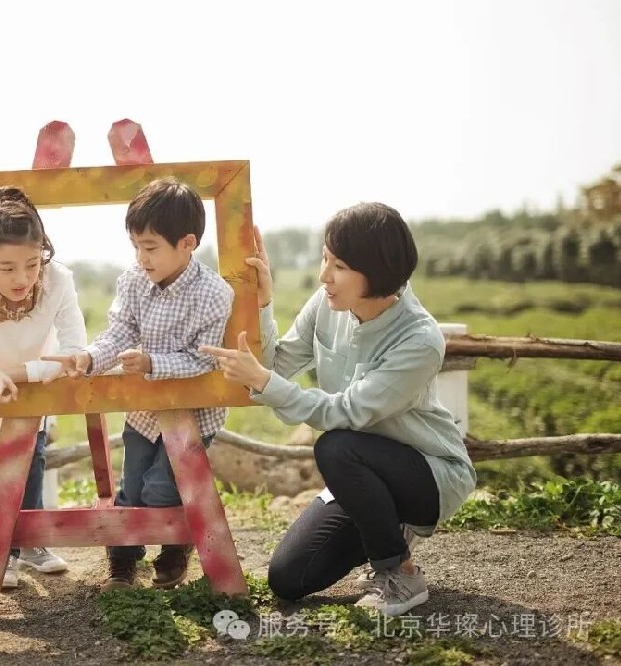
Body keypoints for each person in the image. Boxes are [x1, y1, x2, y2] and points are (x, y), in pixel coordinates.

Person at [200, 202, 477, 617]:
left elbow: (344, 413)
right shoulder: (326, 305)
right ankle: (385, 529)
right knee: (288, 578)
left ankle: (399, 575)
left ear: (378, 270)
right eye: (325, 258)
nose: (324, 275)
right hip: (360, 476)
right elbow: (276, 367)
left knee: (336, 445)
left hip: (427, 473)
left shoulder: (419, 340)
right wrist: (263, 304)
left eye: (340, 265)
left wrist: (263, 381)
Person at [45, 177, 235, 592]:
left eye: (151, 247)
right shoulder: (132, 281)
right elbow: (118, 332)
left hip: (193, 417)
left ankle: (176, 546)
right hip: (143, 413)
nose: (141, 257)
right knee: (131, 489)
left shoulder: (214, 294)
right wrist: (90, 357)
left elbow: (203, 358)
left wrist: (152, 362)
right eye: (136, 246)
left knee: (163, 487)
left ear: (187, 243)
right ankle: (123, 564)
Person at [0, 186, 86, 589]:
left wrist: (22, 375)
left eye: (32, 264)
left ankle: (31, 544)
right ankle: (3, 548)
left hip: (36, 382)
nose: (22, 278)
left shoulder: (58, 281)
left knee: (33, 455)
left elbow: (73, 352)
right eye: (8, 268)